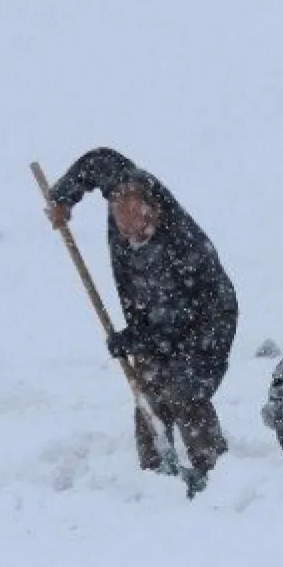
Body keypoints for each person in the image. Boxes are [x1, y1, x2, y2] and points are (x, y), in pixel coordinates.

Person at [45, 147, 238, 479]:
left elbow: (174, 322)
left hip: (208, 318)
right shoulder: (122, 182)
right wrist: (63, 199)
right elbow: (98, 160)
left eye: (144, 228)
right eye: (128, 230)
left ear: (155, 211)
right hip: (155, 318)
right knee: (148, 390)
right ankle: (154, 472)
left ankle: (214, 470)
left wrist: (132, 339)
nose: (136, 237)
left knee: (184, 388)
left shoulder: (180, 247)